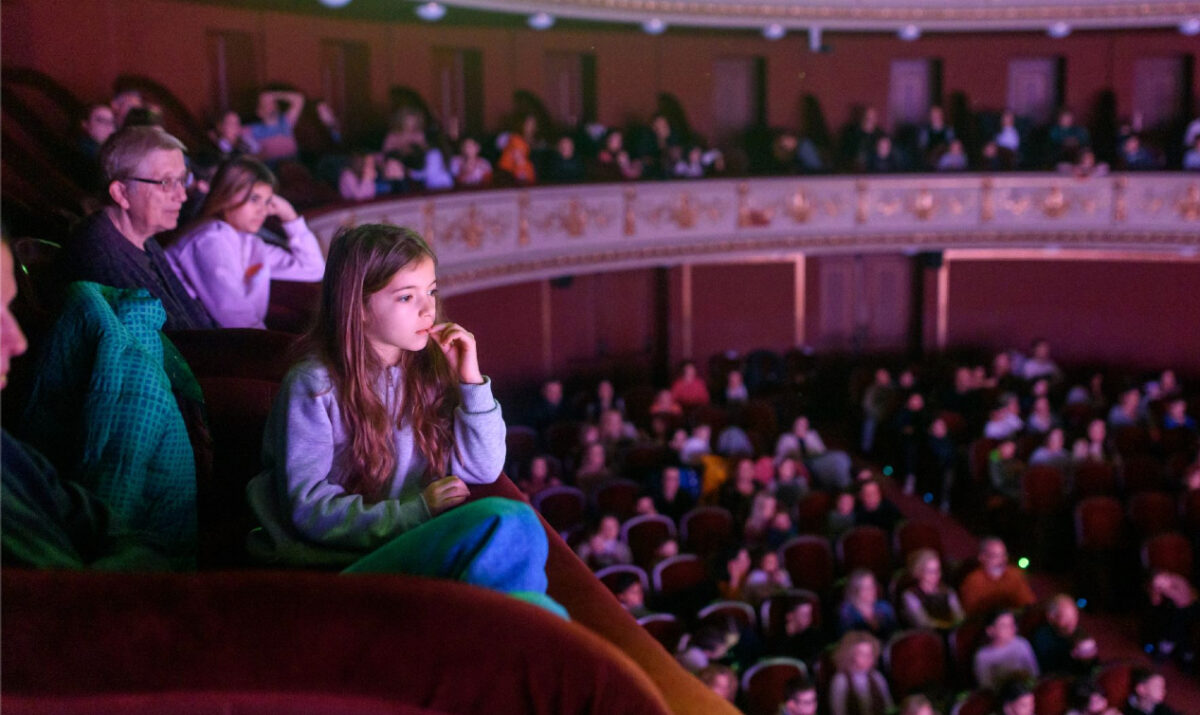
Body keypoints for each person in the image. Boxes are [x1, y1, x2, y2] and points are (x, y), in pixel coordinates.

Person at [244, 224, 562, 615]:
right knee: (510, 522)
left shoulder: (428, 372)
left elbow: (483, 468)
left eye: (431, 291)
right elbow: (308, 510)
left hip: (402, 547)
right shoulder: (314, 385)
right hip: (332, 566)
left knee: (535, 593)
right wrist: (415, 512)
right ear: (358, 307)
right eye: (407, 297)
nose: (428, 309)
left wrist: (471, 381)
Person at [0, 239, 174, 570]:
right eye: (167, 183)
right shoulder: (100, 251)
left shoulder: (7, 449)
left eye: (8, 309)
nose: (18, 342)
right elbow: (66, 608)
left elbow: (104, 524)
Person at [59, 126, 216, 331]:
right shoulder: (100, 254)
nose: (182, 196)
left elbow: (190, 318)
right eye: (166, 182)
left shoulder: (140, 235)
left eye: (182, 180)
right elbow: (169, 341)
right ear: (121, 193)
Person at [165, 157, 324, 329]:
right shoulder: (208, 240)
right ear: (227, 194)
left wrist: (290, 217)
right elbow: (236, 318)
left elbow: (313, 269)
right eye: (254, 199)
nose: (262, 210)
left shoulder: (248, 241)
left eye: (268, 202)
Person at [959, 538, 1037, 617]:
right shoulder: (973, 581)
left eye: (1004, 555)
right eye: (995, 556)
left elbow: (1029, 605)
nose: (1002, 560)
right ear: (982, 557)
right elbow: (972, 615)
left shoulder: (1014, 575)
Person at [828, 630, 894, 715]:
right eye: (862, 654)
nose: (868, 658)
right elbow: (838, 711)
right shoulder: (840, 680)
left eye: (870, 654)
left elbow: (889, 706)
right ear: (850, 655)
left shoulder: (876, 676)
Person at [973, 608, 1040, 690]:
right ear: (990, 630)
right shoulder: (983, 656)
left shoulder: (1021, 643)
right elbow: (986, 687)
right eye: (1004, 626)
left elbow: (1034, 672)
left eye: (1012, 624)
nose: (1011, 629)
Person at [1032, 594, 1098, 675]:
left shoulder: (1078, 633)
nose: (1072, 623)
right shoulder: (1042, 637)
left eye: (1074, 616)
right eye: (1066, 618)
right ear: (1051, 617)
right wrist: (1072, 656)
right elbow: (1047, 670)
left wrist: (1090, 656)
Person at [901, 548, 965, 629]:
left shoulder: (947, 591)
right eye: (930, 572)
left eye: (937, 571)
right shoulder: (910, 595)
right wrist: (946, 626)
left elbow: (959, 615)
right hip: (925, 637)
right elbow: (923, 623)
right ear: (918, 572)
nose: (936, 575)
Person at [244, 88, 305, 164]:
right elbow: (233, 133)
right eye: (265, 104)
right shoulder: (252, 129)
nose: (271, 106)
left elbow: (299, 99)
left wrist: (274, 95)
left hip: (294, 168)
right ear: (259, 112)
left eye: (272, 102)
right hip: (271, 171)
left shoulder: (286, 121)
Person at [837, 569, 898, 641]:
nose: (871, 591)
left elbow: (895, 634)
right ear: (855, 590)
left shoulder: (885, 607)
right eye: (866, 588)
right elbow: (847, 639)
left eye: (873, 586)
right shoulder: (847, 611)